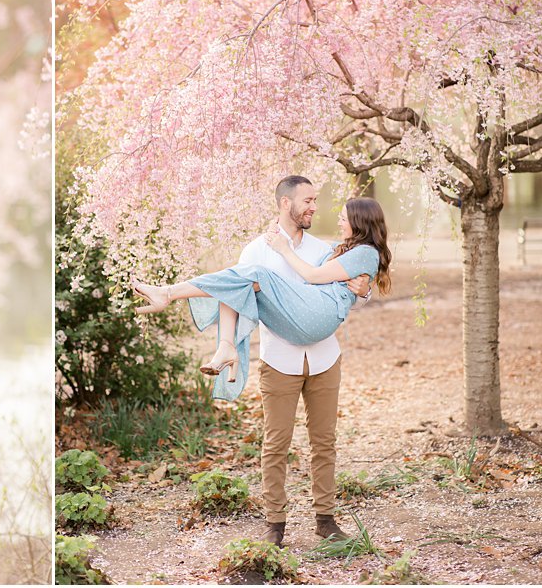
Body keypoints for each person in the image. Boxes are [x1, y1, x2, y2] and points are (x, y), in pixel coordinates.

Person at [137, 178, 384, 545]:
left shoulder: (326, 249)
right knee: (276, 443)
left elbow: (347, 286)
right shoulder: (257, 250)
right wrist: (227, 342)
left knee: (324, 441)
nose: (315, 207)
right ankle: (275, 523)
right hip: (280, 357)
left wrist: (363, 291)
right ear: (286, 203)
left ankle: (326, 520)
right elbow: (229, 295)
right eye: (308, 201)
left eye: (316, 200)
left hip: (323, 357)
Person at [133, 196, 390, 388]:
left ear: (359, 222)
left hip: (319, 317)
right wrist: (278, 234)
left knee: (254, 274)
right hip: (302, 325)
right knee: (241, 281)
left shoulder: (366, 253)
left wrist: (283, 249)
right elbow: (327, 269)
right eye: (308, 201)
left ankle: (168, 294)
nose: (338, 221)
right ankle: (226, 347)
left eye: (343, 218)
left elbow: (312, 276)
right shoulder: (340, 249)